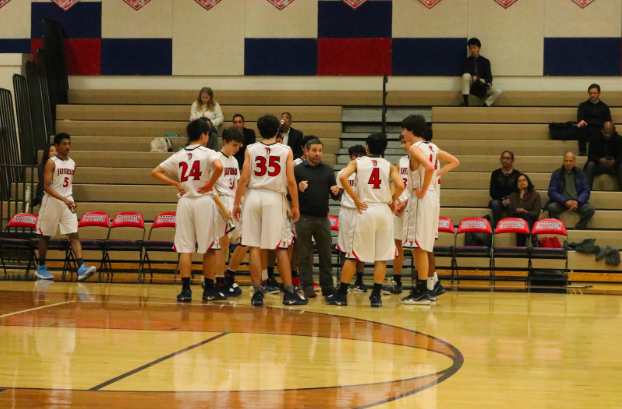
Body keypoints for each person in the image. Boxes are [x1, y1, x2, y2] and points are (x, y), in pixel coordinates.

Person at [233, 114, 307, 306]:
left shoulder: (250, 148)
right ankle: (289, 292)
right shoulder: (286, 150)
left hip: (253, 196)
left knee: (254, 246)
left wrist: (235, 203)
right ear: (277, 130)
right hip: (274, 197)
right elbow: (291, 180)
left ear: (258, 129)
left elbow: (243, 178)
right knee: (280, 246)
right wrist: (295, 205)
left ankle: (257, 293)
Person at [326, 133, 404, 307]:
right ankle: (376, 296)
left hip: (365, 209)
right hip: (383, 210)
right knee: (381, 257)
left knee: (353, 255)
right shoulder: (388, 165)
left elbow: (343, 177)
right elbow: (401, 185)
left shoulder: (357, 163)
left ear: (367, 147)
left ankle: (341, 294)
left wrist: (354, 198)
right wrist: (392, 200)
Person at [151, 120, 226, 302]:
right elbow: (219, 167)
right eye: (207, 134)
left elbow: (156, 171)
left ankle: (185, 291)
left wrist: (176, 183)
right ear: (203, 135)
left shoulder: (179, 154)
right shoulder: (209, 153)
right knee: (209, 247)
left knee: (185, 248)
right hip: (203, 202)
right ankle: (209, 290)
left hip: (185, 202)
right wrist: (210, 183)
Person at [401, 115, 460, 305]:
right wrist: (435, 176)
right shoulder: (432, 147)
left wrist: (424, 188)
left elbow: (427, 167)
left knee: (419, 247)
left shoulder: (415, 148)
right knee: (422, 247)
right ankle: (422, 289)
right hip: (433, 199)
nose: (402, 133)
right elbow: (454, 161)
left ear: (410, 130)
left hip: (423, 198)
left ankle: (423, 291)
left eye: (404, 130)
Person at [35, 133, 97, 282]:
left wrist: (69, 199)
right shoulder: (51, 162)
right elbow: (46, 187)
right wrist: (63, 198)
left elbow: (67, 185)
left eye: (69, 143)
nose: (67, 146)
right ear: (57, 146)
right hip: (51, 202)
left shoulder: (72, 163)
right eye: (64, 143)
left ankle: (81, 268)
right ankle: (41, 267)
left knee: (74, 233)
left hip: (67, 202)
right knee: (46, 235)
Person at [294, 138, 340, 299]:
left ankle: (327, 287)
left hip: (322, 218)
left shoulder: (327, 170)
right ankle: (307, 286)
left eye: (320, 150)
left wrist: (337, 192)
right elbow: (288, 194)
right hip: (304, 218)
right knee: (304, 255)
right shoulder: (297, 170)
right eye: (314, 150)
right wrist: (298, 190)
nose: (318, 153)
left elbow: (335, 196)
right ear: (306, 151)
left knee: (326, 254)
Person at [212, 126, 245, 297]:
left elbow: (238, 185)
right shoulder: (216, 159)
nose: (237, 149)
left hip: (234, 202)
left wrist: (242, 202)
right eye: (234, 145)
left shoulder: (233, 160)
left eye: (239, 146)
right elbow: (211, 188)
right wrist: (222, 207)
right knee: (222, 244)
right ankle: (218, 281)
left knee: (245, 241)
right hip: (221, 203)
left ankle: (229, 274)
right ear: (225, 142)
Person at [336, 145, 367, 292]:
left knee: (361, 247)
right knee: (344, 247)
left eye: (361, 154)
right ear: (350, 157)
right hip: (347, 211)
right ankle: (344, 282)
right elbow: (337, 195)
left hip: (361, 212)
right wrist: (335, 192)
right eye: (356, 155)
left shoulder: (368, 173)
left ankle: (359, 281)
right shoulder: (343, 173)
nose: (359, 158)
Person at [545, 152, 595, 230]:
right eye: (566, 160)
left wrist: (578, 202)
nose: (568, 163)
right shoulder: (556, 174)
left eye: (570, 161)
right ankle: (558, 228)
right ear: (563, 161)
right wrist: (565, 201)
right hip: (561, 202)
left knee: (590, 209)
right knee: (551, 207)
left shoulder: (581, 173)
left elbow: (586, 191)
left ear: (574, 162)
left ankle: (579, 227)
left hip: (577, 202)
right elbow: (552, 192)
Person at [460, 38, 502, 107]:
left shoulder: (485, 61)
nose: (472, 50)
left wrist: (489, 83)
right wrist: (473, 75)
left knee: (498, 91)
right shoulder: (466, 61)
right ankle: (465, 101)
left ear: (479, 48)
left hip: (481, 83)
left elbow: (488, 74)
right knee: (465, 75)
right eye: (470, 48)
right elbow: (464, 71)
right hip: (472, 83)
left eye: (474, 48)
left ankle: (486, 105)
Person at [584, 121, 622, 191]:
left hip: (613, 167)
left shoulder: (619, 139)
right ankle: (586, 191)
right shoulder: (595, 138)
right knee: (590, 165)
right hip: (599, 165)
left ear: (613, 131)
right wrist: (600, 160)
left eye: (610, 133)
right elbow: (590, 156)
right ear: (602, 130)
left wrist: (614, 161)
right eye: (606, 132)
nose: (607, 135)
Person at [577, 84, 612, 156]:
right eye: (591, 93)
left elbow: (608, 120)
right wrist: (581, 121)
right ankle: (582, 151)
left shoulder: (604, 107)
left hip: (600, 129)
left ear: (599, 93)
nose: (593, 95)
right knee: (581, 126)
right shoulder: (583, 105)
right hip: (588, 128)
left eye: (595, 93)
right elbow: (580, 118)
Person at [489, 151, 521, 228]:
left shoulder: (517, 174)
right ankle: (497, 226)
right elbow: (492, 191)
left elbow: (518, 191)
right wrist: (502, 200)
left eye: (508, 158)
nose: (505, 160)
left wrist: (511, 200)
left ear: (512, 160)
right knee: (495, 204)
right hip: (499, 200)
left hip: (512, 200)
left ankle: (512, 226)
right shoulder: (495, 173)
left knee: (515, 205)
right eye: (503, 158)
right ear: (500, 160)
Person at [508, 174, 541, 246]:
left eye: (524, 180)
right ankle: (534, 240)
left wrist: (525, 211)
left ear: (528, 182)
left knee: (524, 217)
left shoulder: (535, 195)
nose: (522, 182)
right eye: (519, 181)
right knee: (522, 217)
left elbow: (536, 214)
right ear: (516, 184)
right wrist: (521, 196)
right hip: (516, 220)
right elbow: (517, 211)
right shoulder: (513, 195)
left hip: (531, 219)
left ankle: (520, 246)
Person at [31, 144, 57, 208]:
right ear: (47, 153)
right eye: (51, 151)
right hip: (46, 192)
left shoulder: (63, 165)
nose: (54, 153)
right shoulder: (42, 166)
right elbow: (43, 181)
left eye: (56, 151)